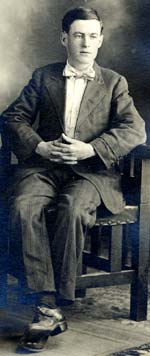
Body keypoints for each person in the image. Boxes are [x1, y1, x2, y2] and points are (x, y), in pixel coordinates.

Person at [1, 6, 146, 352]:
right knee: (22, 206)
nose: (85, 43)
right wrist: (40, 147)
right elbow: (12, 119)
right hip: (44, 168)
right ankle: (47, 303)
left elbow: (135, 129)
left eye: (92, 36)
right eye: (78, 35)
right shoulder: (44, 76)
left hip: (91, 174)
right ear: (64, 38)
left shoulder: (114, 82)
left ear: (100, 40)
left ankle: (52, 304)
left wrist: (91, 149)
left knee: (71, 209)